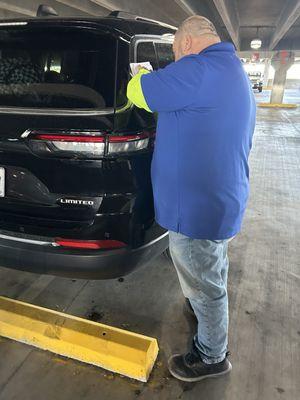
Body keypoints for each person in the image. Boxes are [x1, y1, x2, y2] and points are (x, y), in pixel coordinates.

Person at [127, 15, 256, 382]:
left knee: (205, 283)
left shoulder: (197, 70)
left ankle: (212, 356)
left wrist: (141, 75)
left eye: (174, 52)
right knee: (211, 270)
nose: (175, 58)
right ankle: (204, 319)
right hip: (219, 198)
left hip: (197, 206)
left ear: (184, 44)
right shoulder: (230, 69)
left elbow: (138, 93)